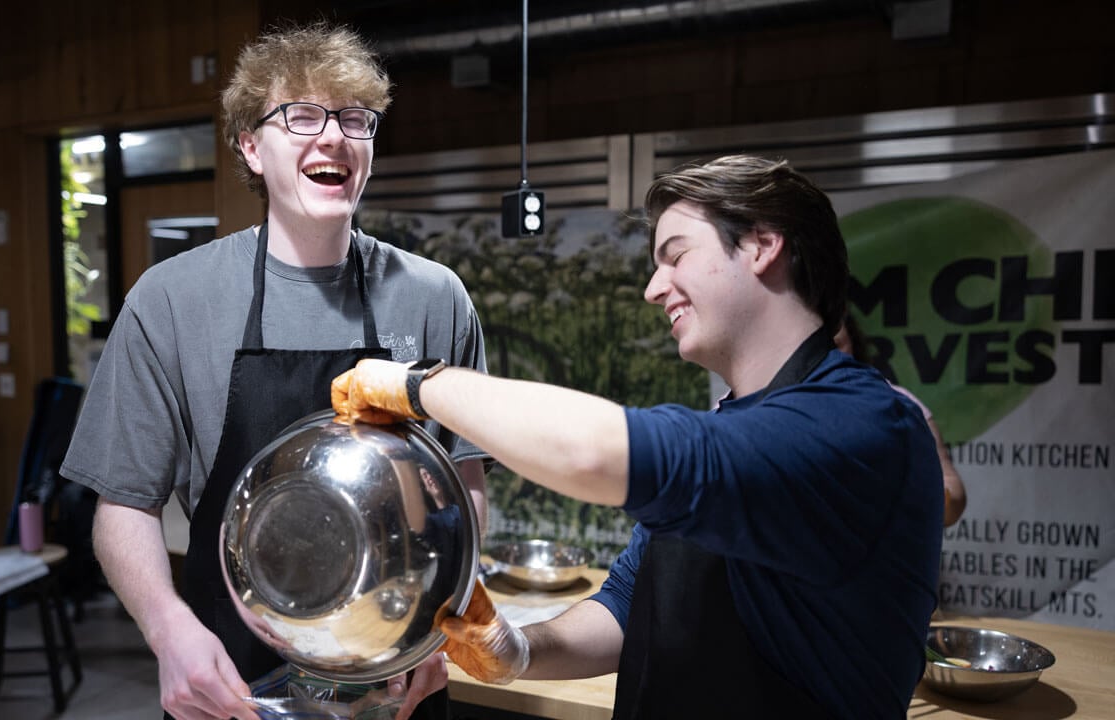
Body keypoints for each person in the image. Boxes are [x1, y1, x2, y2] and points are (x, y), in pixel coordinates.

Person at [332, 155, 945, 719]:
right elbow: (630, 606)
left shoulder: (863, 425)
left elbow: (593, 451)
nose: (654, 288)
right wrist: (520, 650)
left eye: (675, 255)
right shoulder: (735, 421)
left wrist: (415, 387)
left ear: (761, 244)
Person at [59, 21, 489, 720]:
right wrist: (170, 635)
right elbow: (123, 505)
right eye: (303, 115)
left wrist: (444, 627)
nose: (335, 138)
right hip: (228, 680)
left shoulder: (434, 297)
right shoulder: (172, 302)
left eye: (356, 119)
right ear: (251, 147)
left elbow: (462, 487)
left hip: (395, 683)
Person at [835, 313, 967, 527]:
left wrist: (929, 501)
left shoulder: (899, 403)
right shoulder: (775, 408)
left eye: (836, 346)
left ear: (852, 341)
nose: (827, 359)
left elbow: (950, 486)